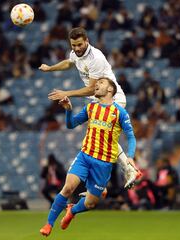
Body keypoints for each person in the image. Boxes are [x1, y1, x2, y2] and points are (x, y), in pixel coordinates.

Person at [39, 27, 140, 189]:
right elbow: (68, 63)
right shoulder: (76, 53)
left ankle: (126, 170)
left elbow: (92, 88)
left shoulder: (96, 58)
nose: (77, 48)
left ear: (87, 41)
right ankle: (111, 178)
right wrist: (50, 68)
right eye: (73, 45)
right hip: (98, 102)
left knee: (104, 138)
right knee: (102, 138)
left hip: (113, 98)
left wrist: (67, 93)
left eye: (80, 44)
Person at [40, 78, 136, 236]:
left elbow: (131, 137)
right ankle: (48, 224)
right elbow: (71, 124)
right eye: (96, 83)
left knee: (90, 203)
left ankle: (72, 210)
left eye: (101, 83)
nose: (97, 85)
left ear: (110, 90)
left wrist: (130, 157)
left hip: (104, 164)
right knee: (68, 188)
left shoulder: (120, 112)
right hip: (85, 156)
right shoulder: (91, 107)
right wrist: (68, 110)